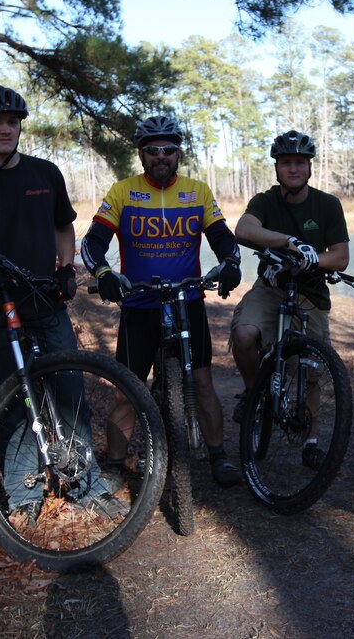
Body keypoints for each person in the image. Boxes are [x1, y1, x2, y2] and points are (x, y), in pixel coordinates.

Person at [0, 84, 125, 520]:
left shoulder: (45, 174)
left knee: (69, 395)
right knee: (11, 406)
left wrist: (66, 266)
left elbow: (64, 227)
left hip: (46, 303)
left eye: (12, 122)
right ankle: (25, 498)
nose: (5, 129)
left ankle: (86, 486)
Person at [81, 115, 243, 487]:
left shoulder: (197, 191)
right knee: (127, 390)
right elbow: (92, 243)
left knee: (203, 383)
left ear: (178, 153)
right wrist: (104, 274)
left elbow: (221, 235)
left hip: (187, 299)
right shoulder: (123, 192)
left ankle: (218, 456)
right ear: (141, 155)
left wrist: (231, 262)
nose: (161, 156)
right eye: (152, 150)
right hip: (139, 304)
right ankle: (116, 466)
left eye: (169, 150)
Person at [229, 129, 349, 468]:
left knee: (310, 367)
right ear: (277, 167)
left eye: (300, 163)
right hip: (271, 287)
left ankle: (310, 439)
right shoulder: (265, 201)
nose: (293, 169)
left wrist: (314, 259)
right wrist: (290, 243)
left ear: (310, 167)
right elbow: (244, 229)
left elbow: (340, 257)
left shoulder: (327, 205)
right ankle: (255, 394)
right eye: (286, 163)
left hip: (311, 293)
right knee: (244, 334)